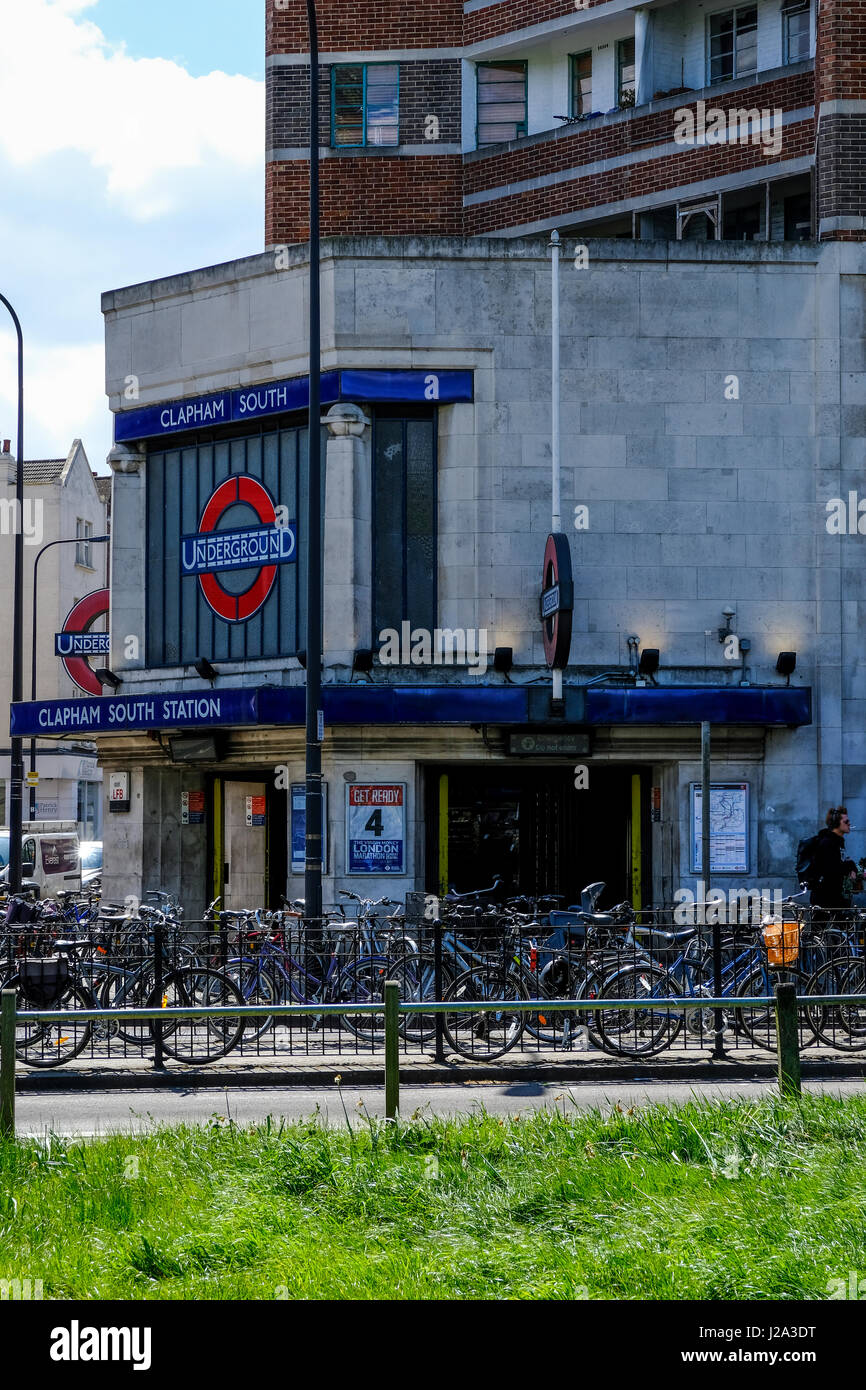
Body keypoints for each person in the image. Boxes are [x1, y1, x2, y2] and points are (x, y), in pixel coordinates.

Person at [810, 806, 858, 911]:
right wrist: (850, 866)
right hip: (824, 896)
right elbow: (833, 869)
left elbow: (841, 864)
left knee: (842, 925)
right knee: (819, 927)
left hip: (834, 894)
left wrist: (851, 867)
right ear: (837, 824)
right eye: (846, 821)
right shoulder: (828, 843)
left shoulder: (837, 842)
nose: (849, 823)